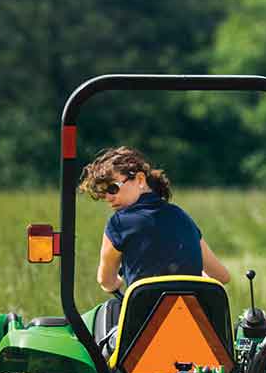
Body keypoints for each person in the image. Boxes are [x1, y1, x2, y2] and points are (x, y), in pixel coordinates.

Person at [79, 147, 231, 352]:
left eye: (113, 188)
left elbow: (105, 281)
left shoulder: (118, 224)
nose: (108, 197)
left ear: (140, 180)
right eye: (102, 192)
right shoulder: (182, 216)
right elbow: (221, 276)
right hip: (193, 335)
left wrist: (119, 282)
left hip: (142, 339)